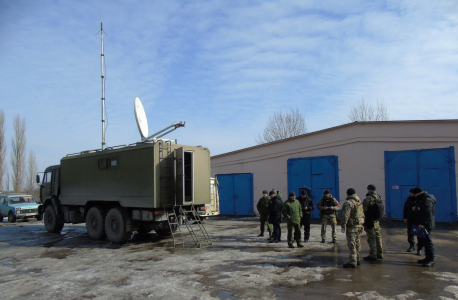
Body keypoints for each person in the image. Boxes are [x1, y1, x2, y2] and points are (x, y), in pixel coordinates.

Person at [340, 188, 365, 268]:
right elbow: (362, 214)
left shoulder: (348, 202)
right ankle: (358, 259)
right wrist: (361, 224)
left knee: (352, 244)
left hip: (352, 226)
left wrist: (343, 225)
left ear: (348, 194)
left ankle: (352, 262)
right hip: (358, 225)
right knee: (357, 243)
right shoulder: (359, 202)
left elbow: (345, 215)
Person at [413, 187, 436, 267]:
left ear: (417, 193)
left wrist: (422, 223)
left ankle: (431, 260)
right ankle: (427, 258)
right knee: (425, 242)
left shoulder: (426, 199)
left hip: (426, 224)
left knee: (428, 242)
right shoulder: (422, 199)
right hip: (423, 224)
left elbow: (427, 213)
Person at [362, 184, 383, 261]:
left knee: (371, 238)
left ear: (369, 190)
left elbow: (363, 210)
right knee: (378, 237)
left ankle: (373, 255)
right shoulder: (378, 197)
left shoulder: (369, 198)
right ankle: (380, 253)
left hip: (370, 221)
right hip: (377, 221)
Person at [403, 189, 420, 254]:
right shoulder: (408, 200)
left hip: (417, 219)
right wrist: (405, 217)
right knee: (410, 233)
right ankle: (412, 246)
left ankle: (419, 248)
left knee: (419, 234)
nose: (410, 194)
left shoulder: (419, 200)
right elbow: (405, 209)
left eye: (411, 193)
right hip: (410, 219)